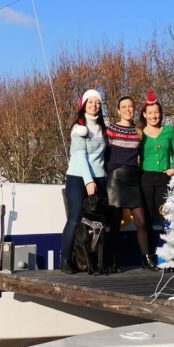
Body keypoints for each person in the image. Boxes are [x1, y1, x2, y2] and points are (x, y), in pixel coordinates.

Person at [59, 89, 107, 274]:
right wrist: (88, 181)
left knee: (101, 221)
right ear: (84, 105)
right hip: (78, 177)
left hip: (99, 177)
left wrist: (103, 178)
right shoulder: (79, 127)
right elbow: (80, 156)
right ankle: (65, 259)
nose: (94, 105)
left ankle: (99, 263)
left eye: (98, 102)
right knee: (75, 218)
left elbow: (102, 156)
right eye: (90, 102)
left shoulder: (103, 127)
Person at [105, 95, 151, 272]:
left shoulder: (139, 132)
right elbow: (105, 154)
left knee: (141, 220)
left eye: (130, 106)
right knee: (115, 223)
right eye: (123, 106)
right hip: (116, 177)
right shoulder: (111, 129)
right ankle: (114, 262)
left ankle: (146, 259)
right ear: (118, 110)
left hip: (133, 178)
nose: (127, 109)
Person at [139, 90, 174, 268]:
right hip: (145, 178)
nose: (154, 116)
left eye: (157, 112)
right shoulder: (140, 133)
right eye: (150, 112)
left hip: (164, 178)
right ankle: (149, 257)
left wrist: (173, 168)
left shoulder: (169, 131)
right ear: (144, 114)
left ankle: (168, 256)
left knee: (166, 216)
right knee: (146, 218)